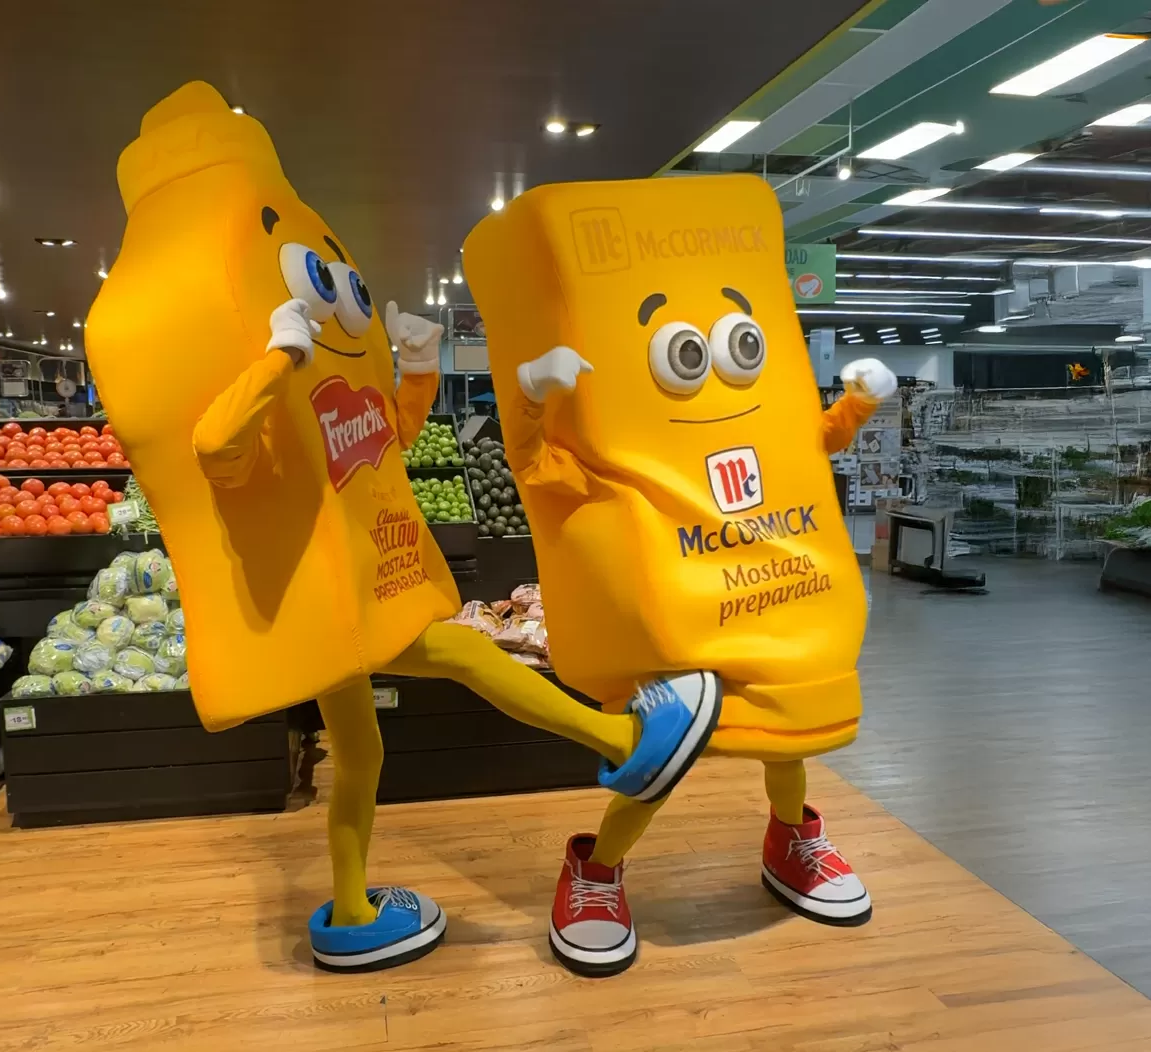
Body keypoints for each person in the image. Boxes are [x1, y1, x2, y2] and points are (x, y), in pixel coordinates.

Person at [85, 82, 715, 974]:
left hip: (359, 579)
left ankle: (351, 911)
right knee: (455, 651)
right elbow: (215, 449)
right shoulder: (273, 382)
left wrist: (416, 372)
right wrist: (275, 359)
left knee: (361, 754)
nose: (341, 294)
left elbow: (383, 446)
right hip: (328, 595)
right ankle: (622, 743)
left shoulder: (325, 389)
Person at [463, 173, 897, 975]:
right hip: (675, 615)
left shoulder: (768, 419)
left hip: (772, 595)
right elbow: (534, 466)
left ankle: (791, 838)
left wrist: (856, 408)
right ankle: (595, 870)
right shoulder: (616, 445)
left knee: (787, 732)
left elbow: (810, 446)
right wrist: (528, 395)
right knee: (665, 753)